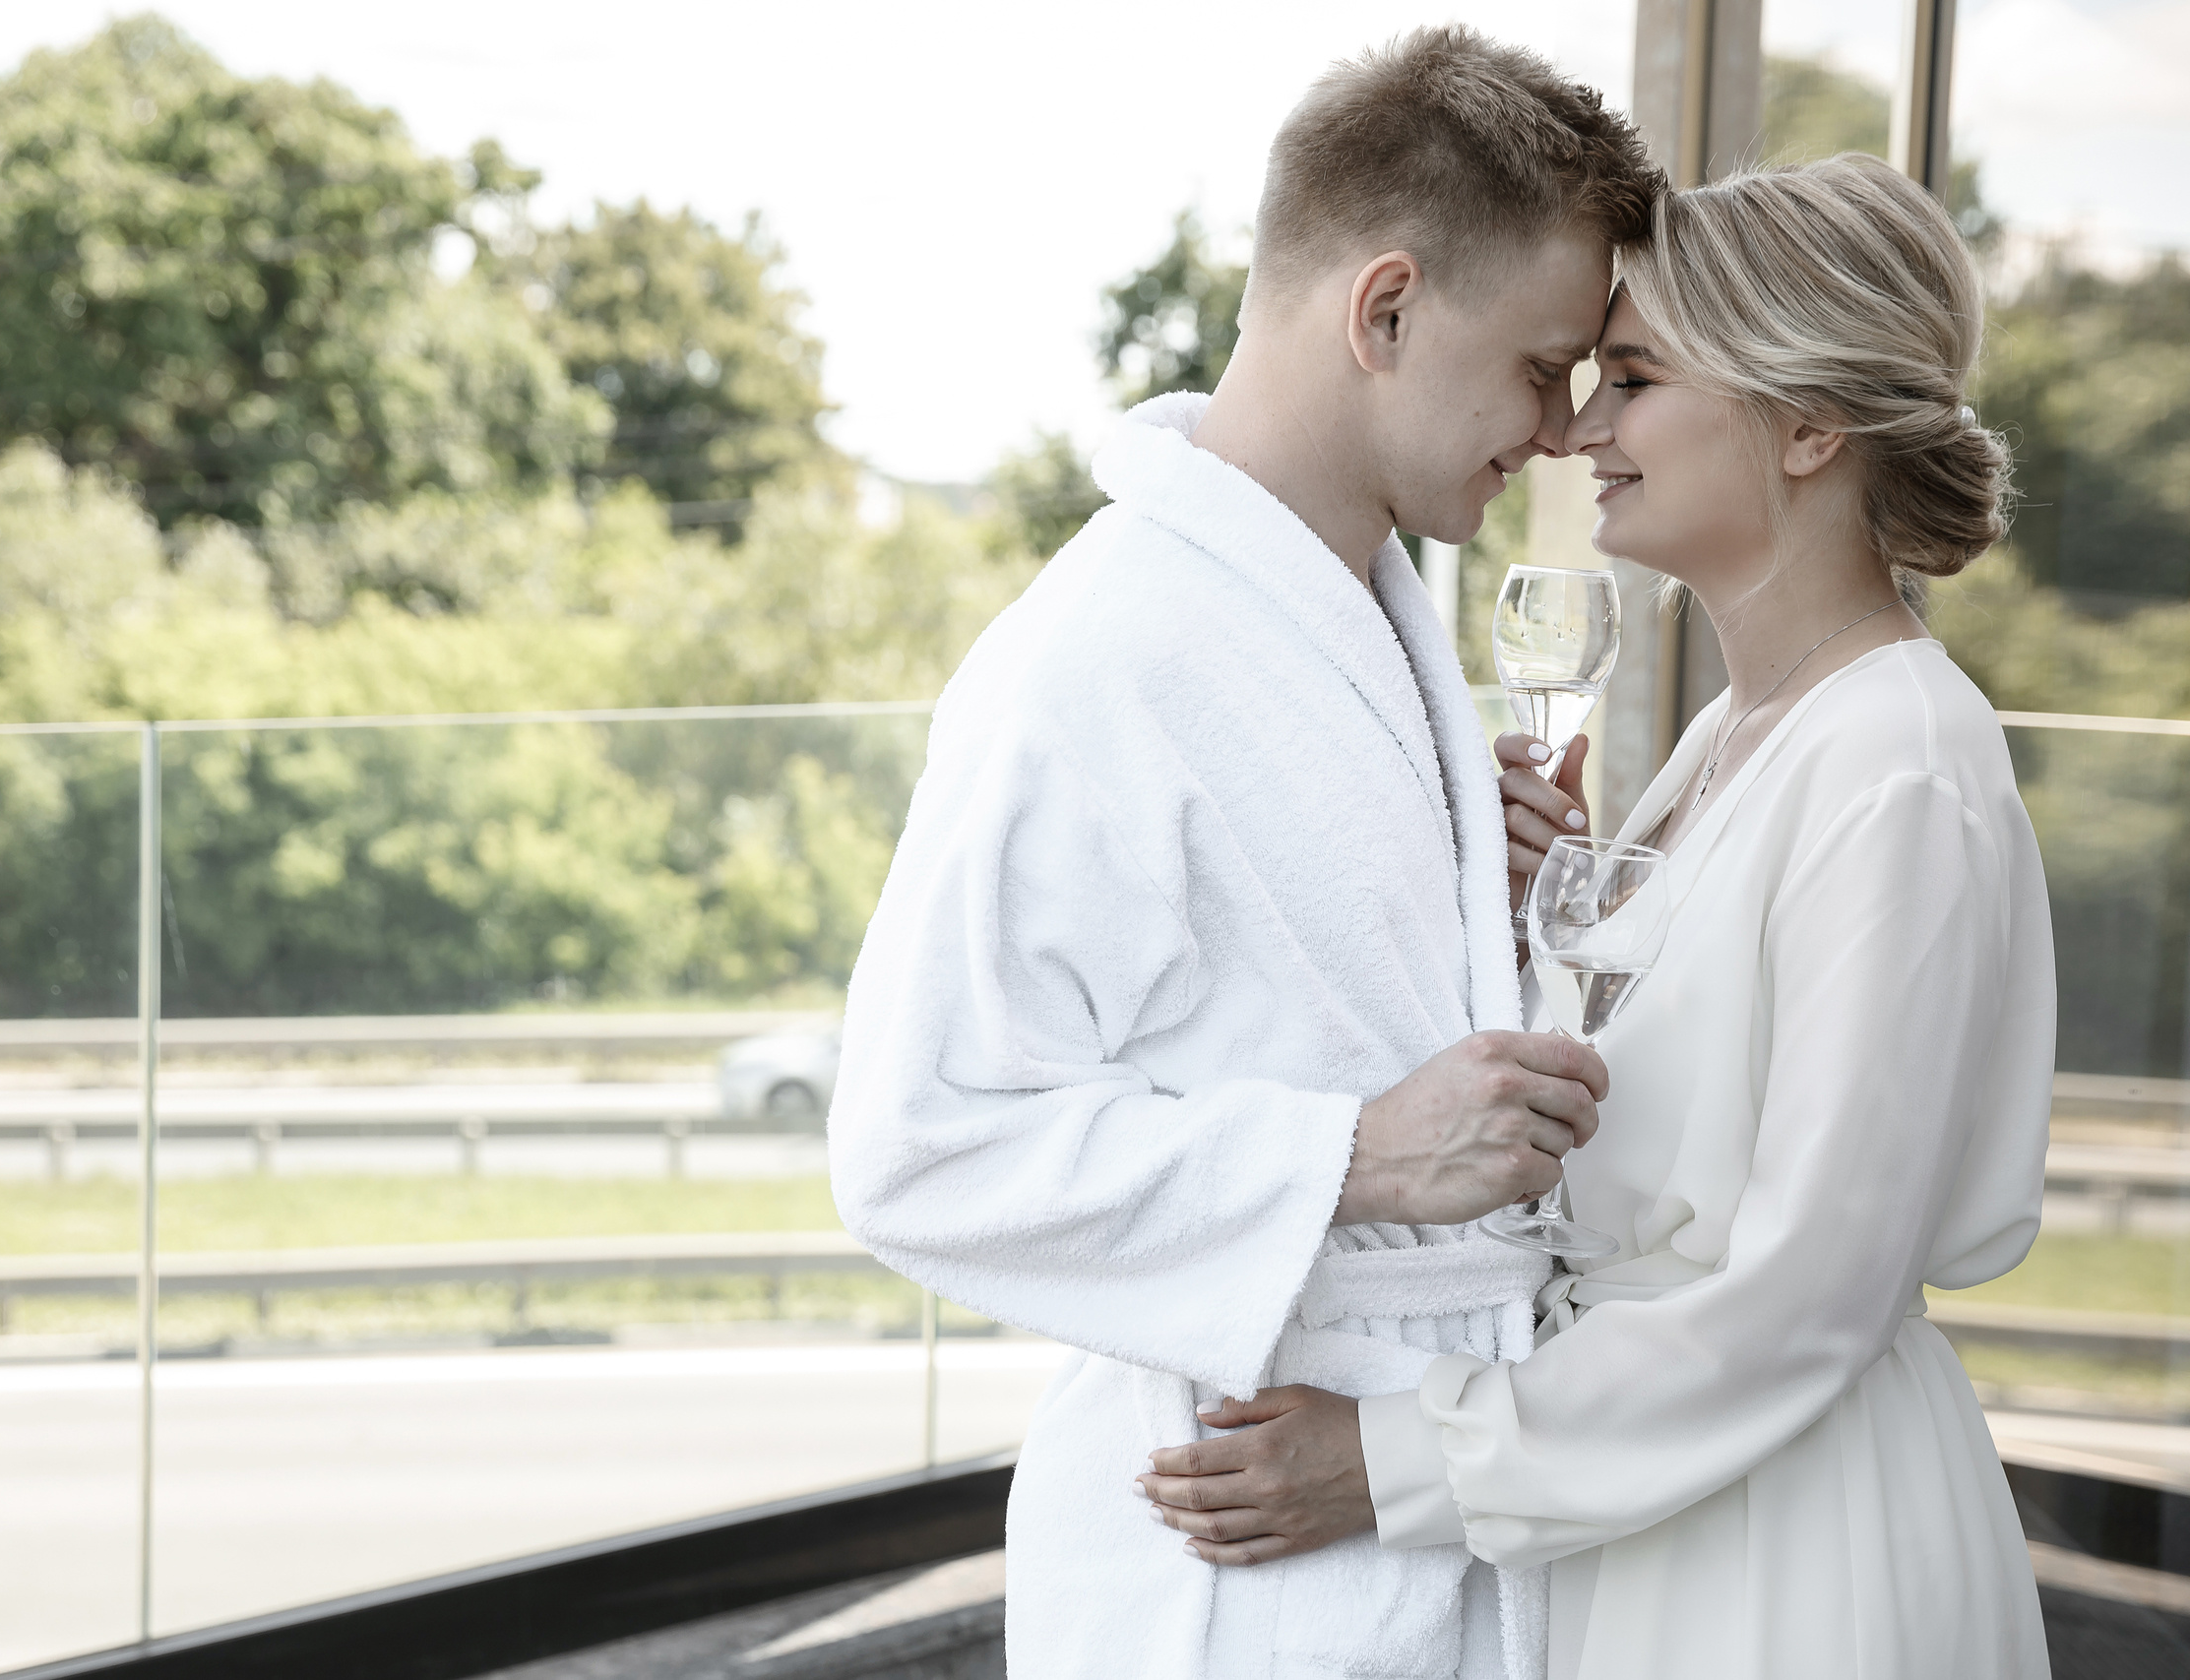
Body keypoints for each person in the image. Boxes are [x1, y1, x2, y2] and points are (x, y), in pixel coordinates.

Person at [1144, 155, 2055, 1678]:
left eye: (1629, 379)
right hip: (1646, 1519)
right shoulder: (1736, 739)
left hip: (1788, 1560)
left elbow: (1804, 1301)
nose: (1575, 431)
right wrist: (1496, 910)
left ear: (1809, 422)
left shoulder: (1900, 765)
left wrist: (1391, 1462)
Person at [829, 28, 1663, 1680]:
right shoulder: (1097, 659)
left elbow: (1266, 982)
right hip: (1239, 1559)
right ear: (1387, 310)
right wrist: (1353, 1154)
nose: (1565, 429)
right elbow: (915, 1149)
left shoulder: (1352, 609)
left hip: (1407, 1512)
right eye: (1542, 365)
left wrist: (1455, 900)